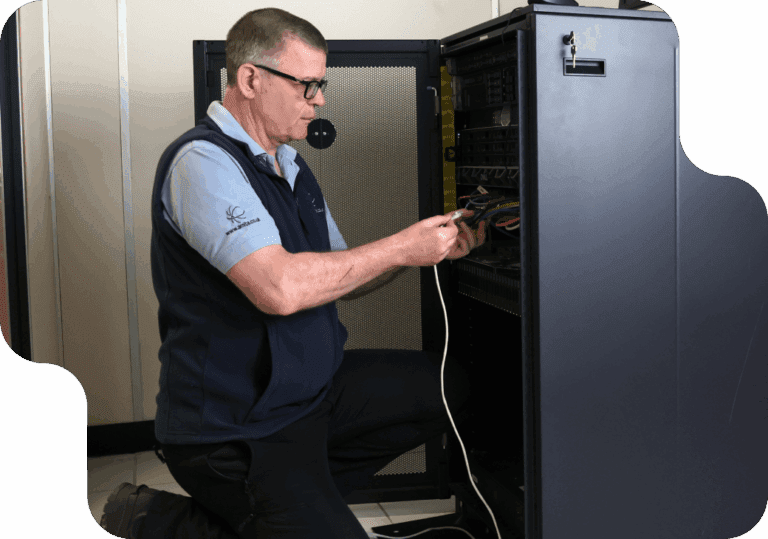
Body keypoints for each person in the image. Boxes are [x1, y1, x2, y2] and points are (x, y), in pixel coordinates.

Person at [100, 7, 484, 538]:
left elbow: (345, 274)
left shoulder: (292, 167)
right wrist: (400, 247)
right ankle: (166, 521)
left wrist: (427, 251)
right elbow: (279, 289)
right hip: (236, 427)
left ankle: (288, 512)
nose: (320, 99)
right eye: (307, 85)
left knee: (445, 385)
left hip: (309, 395)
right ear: (251, 79)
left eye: (319, 85)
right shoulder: (203, 163)